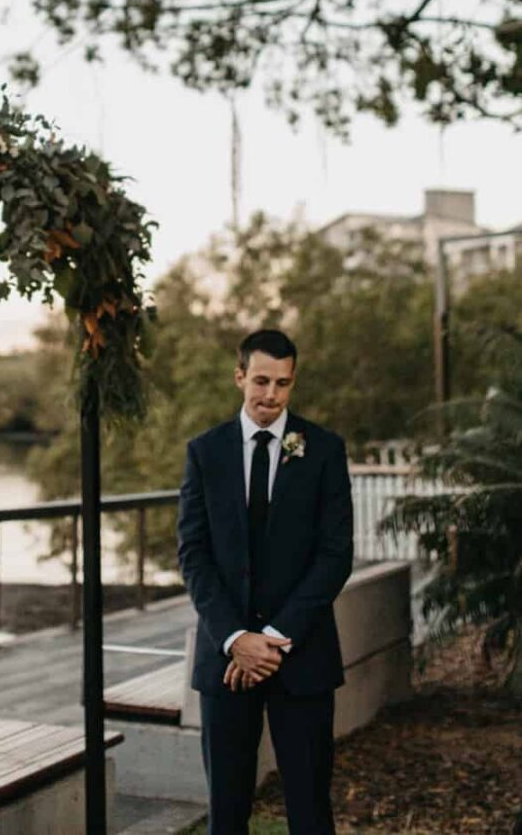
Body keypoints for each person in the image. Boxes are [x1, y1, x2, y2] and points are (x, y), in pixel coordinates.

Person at [177, 328, 353, 835]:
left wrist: (271, 642)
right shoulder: (204, 452)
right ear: (239, 377)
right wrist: (236, 640)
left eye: (282, 383)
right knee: (227, 813)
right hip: (226, 661)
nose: (270, 396)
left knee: (310, 810)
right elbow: (194, 553)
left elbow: (335, 555)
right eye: (260, 381)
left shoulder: (323, 449)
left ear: (292, 383)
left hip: (302, 657)